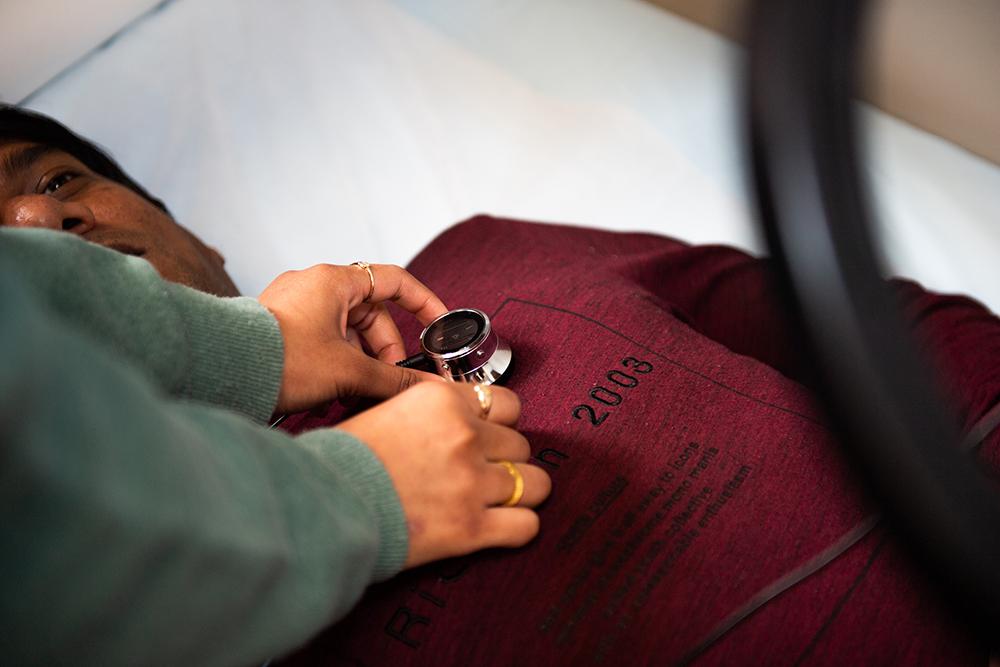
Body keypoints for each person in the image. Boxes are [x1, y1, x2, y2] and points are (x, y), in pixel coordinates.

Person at [2, 105, 997, 665]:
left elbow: (884, 337)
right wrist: (354, 497)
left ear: (195, 232)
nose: (42, 227)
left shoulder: (489, 258)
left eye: (53, 180)